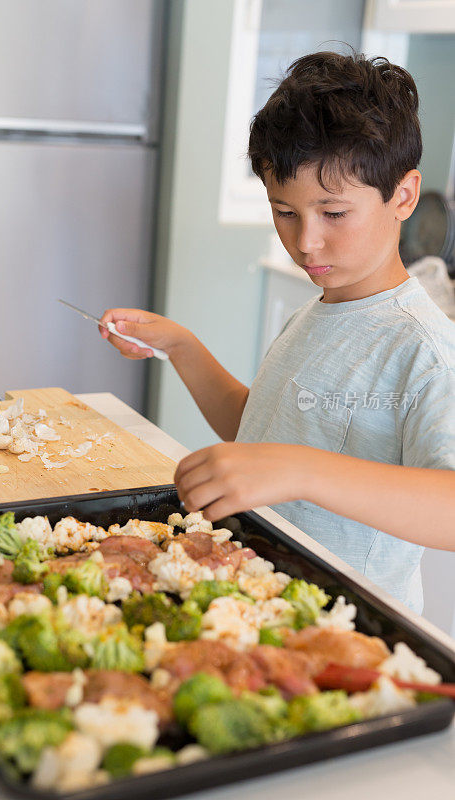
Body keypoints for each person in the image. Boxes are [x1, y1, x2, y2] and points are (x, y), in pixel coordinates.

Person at [99, 50, 455, 613]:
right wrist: (182, 347)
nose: (306, 241)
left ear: (404, 196)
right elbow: (260, 429)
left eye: (333, 214)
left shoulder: (423, 347)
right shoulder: (314, 314)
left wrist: (300, 470)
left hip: (346, 624)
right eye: (285, 211)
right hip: (265, 596)